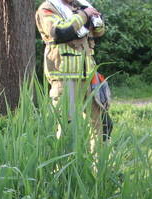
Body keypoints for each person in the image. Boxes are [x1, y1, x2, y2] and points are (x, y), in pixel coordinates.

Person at [35, 0, 107, 140]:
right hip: (64, 75)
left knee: (101, 124)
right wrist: (85, 15)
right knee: (67, 126)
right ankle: (64, 162)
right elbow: (61, 32)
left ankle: (98, 161)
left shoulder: (80, 5)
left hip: (89, 73)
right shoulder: (47, 8)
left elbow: (99, 32)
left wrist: (96, 18)